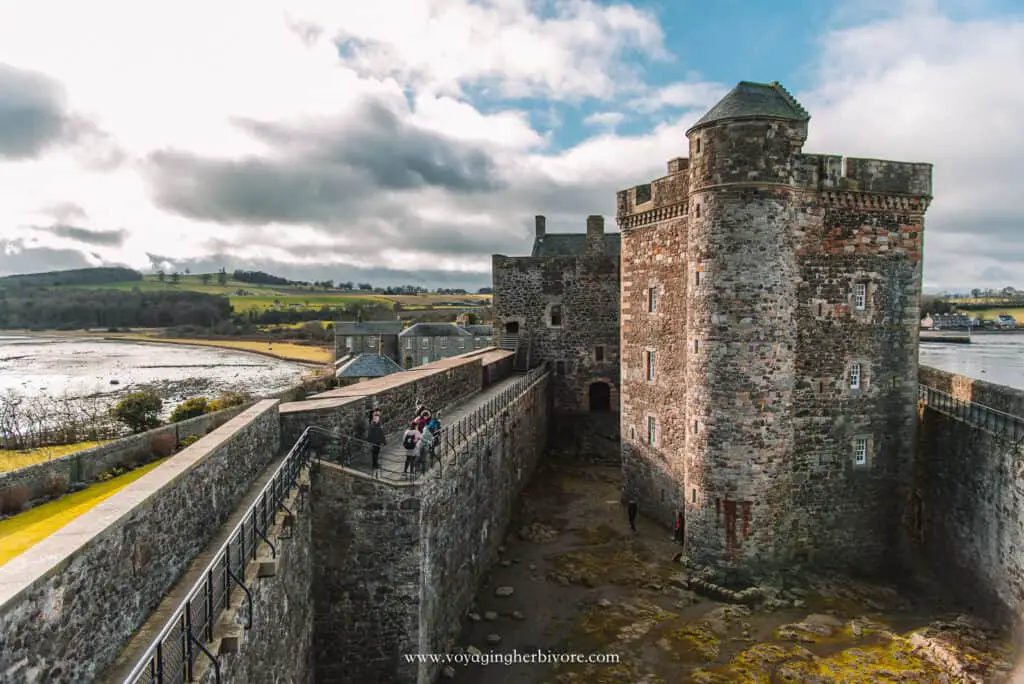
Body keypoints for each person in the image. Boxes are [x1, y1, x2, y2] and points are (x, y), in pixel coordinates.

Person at [367, 412, 386, 479]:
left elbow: (371, 433)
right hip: (376, 442)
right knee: (375, 453)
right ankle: (375, 464)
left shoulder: (372, 426)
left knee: (375, 453)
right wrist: (383, 442)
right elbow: (381, 433)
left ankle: (375, 464)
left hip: (375, 442)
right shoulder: (376, 426)